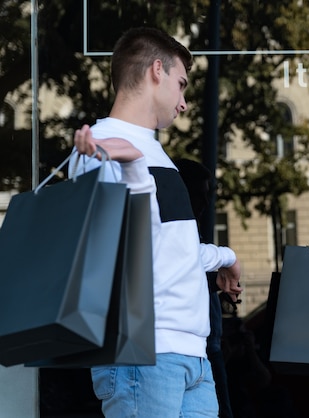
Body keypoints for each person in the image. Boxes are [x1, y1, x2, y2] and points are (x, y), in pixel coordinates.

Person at [70, 27, 243, 418]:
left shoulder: (153, 152)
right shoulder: (98, 147)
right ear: (156, 70)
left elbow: (170, 249)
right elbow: (116, 255)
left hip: (189, 357)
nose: (183, 103)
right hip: (142, 352)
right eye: (181, 85)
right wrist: (130, 165)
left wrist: (225, 257)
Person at [175, 158, 235, 418]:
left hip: (205, 348)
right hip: (193, 350)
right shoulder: (174, 232)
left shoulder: (190, 232)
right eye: (199, 196)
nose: (205, 204)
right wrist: (227, 259)